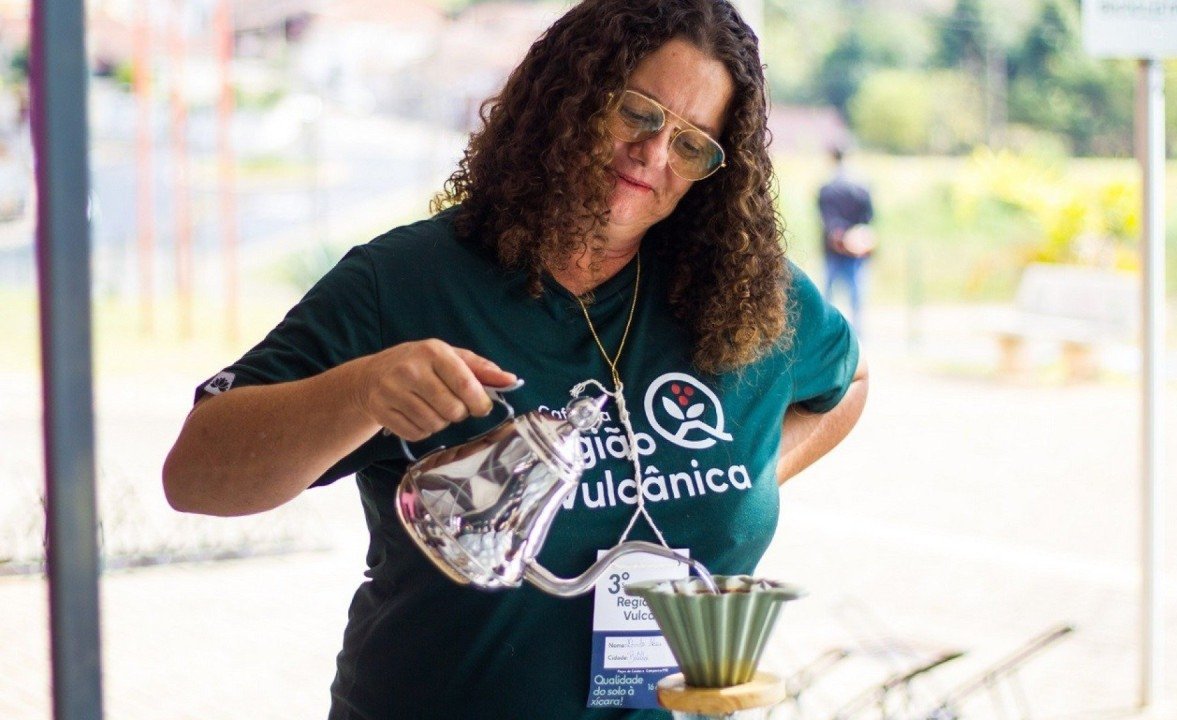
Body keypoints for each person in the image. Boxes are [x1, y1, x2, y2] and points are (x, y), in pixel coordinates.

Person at [162, 1, 868, 718]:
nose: (654, 154)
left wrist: (747, 473)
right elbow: (195, 473)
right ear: (572, 95)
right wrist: (362, 390)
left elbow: (850, 382)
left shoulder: (744, 295)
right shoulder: (406, 282)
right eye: (638, 112)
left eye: (692, 144)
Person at [817, 144, 875, 332]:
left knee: (827, 298)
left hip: (834, 249)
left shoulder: (827, 188)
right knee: (856, 298)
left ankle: (826, 332)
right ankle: (858, 335)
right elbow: (869, 218)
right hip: (857, 251)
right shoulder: (861, 186)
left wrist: (840, 235)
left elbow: (826, 219)